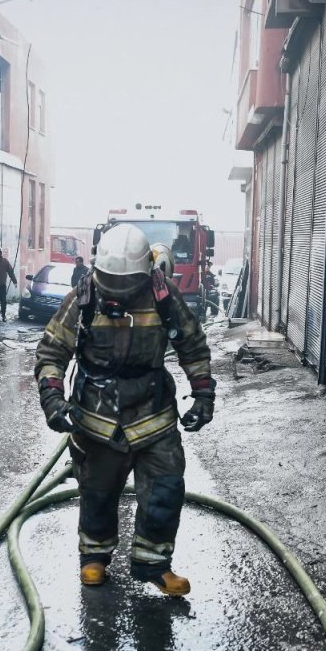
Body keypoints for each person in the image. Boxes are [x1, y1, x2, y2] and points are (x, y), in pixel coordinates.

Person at [33, 223, 214, 596]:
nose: (118, 290)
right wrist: (52, 399)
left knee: (165, 489)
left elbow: (192, 345)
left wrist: (203, 394)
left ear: (144, 273)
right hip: (97, 420)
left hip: (153, 416)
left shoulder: (164, 296)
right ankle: (94, 558)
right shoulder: (83, 298)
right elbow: (52, 351)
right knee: (97, 492)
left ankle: (154, 564)